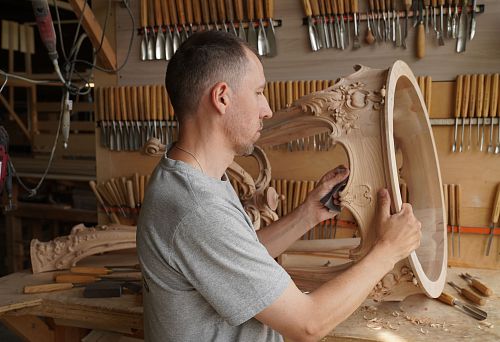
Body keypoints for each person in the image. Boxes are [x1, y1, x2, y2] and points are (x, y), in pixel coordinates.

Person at [137, 30, 422, 342]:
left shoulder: (191, 178)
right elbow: (307, 325)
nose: (267, 109)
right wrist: (388, 251)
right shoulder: (197, 207)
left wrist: (307, 215)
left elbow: (239, 254)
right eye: (259, 92)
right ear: (222, 97)